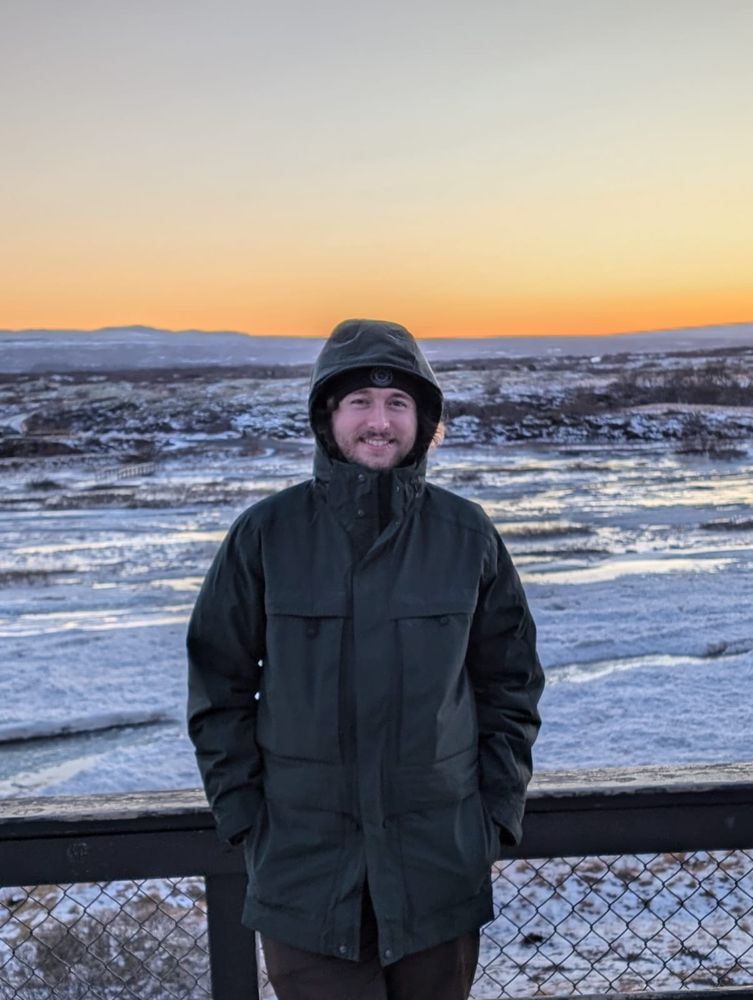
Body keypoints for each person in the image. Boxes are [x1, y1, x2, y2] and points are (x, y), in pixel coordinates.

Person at [187, 318, 544, 1000]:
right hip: (305, 876)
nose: (378, 422)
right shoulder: (266, 535)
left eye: (397, 404)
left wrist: (492, 815)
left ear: (422, 419)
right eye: (360, 403)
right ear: (329, 416)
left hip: (438, 871)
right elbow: (217, 684)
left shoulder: (466, 534)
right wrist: (244, 818)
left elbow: (511, 683)